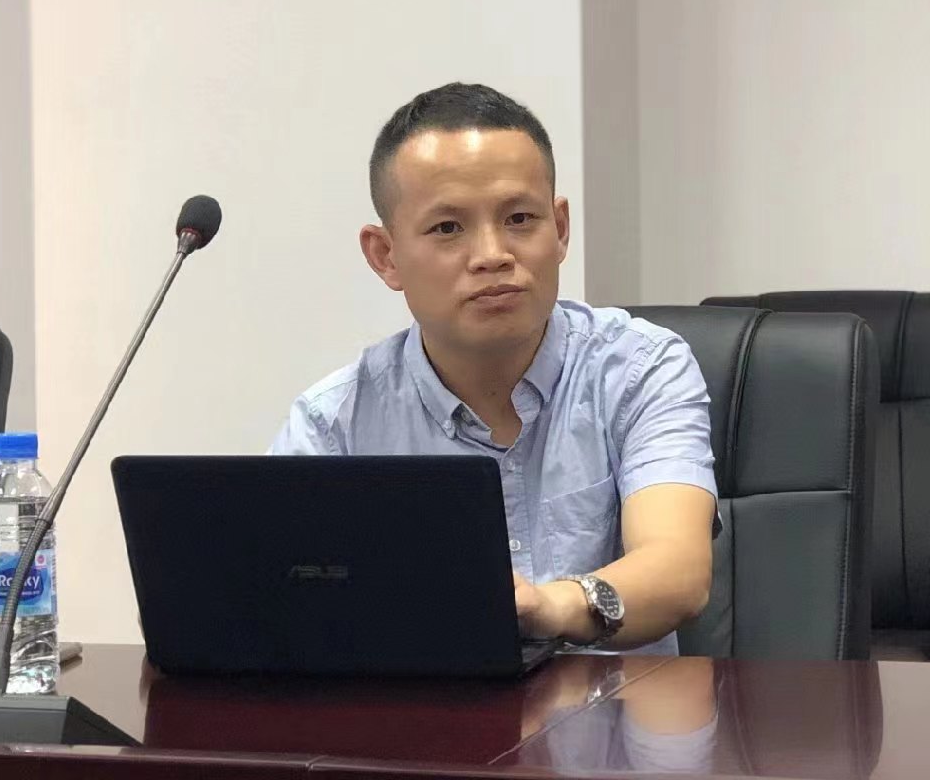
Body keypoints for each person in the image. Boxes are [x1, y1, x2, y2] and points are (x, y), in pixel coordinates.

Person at [269, 82, 717, 653]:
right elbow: (274, 598)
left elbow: (678, 572)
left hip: (618, 707)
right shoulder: (335, 424)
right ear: (386, 255)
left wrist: (547, 607)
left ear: (560, 229)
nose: (492, 255)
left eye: (520, 218)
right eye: (447, 228)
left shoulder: (639, 368)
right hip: (423, 709)